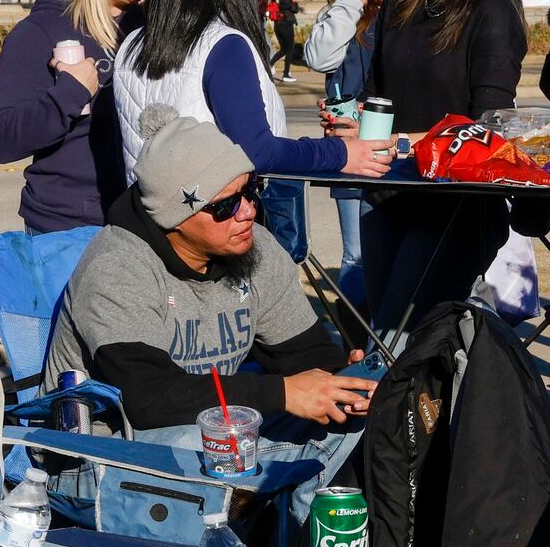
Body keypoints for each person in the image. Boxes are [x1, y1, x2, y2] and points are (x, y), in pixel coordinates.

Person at [45, 108, 372, 431]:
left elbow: (304, 353)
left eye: (250, 190)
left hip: (211, 427)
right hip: (115, 446)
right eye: (225, 206)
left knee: (364, 429)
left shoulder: (254, 244)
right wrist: (283, 393)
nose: (247, 211)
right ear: (173, 218)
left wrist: (341, 386)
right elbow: (147, 398)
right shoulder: (117, 269)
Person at [114, 0, 390, 265]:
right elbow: (259, 151)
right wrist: (340, 155)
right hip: (216, 236)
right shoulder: (223, 45)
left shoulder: (131, 44)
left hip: (151, 233)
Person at [356, 0, 535, 326]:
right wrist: (350, 120)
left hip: (454, 210)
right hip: (386, 196)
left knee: (399, 338)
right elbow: (376, 94)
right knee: (385, 335)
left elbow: (486, 129)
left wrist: (401, 142)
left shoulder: (493, 7)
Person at [0, 0, 152, 233]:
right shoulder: (39, 32)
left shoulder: (152, 28)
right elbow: (2, 141)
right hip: (69, 231)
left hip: (145, 223)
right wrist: (68, 95)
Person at [300, 0, 407, 291]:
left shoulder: (416, 22)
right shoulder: (348, 18)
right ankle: (357, 343)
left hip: (401, 155)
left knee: (401, 255)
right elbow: (318, 58)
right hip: (349, 155)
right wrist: (349, 4)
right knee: (357, 256)